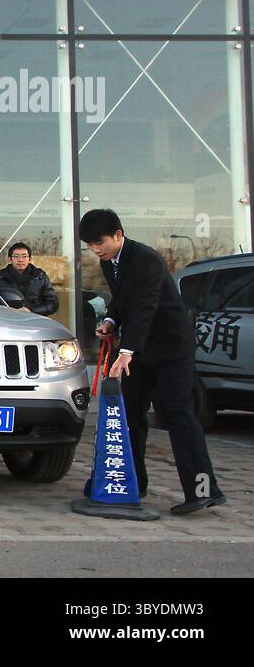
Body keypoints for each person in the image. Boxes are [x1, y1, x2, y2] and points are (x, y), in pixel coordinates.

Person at [79, 209, 225, 515]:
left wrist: (127, 350)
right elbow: (123, 300)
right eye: (90, 245)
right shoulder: (109, 261)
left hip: (171, 348)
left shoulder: (147, 259)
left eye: (99, 242)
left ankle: (203, 490)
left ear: (118, 234)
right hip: (139, 350)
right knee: (130, 412)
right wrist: (110, 321)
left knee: (176, 412)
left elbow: (146, 305)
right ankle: (132, 483)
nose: (95, 249)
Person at [0, 242, 59, 316]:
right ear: (10, 259)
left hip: (35, 318)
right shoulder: (2, 277)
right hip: (10, 318)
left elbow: (53, 303)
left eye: (24, 256)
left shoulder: (40, 276)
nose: (20, 260)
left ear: (29, 259)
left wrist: (31, 311)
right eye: (16, 256)